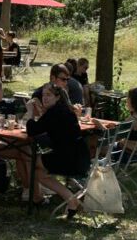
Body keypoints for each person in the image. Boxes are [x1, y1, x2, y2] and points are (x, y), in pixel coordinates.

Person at [26, 84, 91, 216]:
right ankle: (70, 199)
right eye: (43, 95)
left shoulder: (54, 112)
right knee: (38, 169)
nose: (44, 98)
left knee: (32, 163)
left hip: (70, 160)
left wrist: (30, 112)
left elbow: (32, 130)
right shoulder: (65, 109)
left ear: (57, 97)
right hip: (82, 158)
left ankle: (68, 199)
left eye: (48, 95)